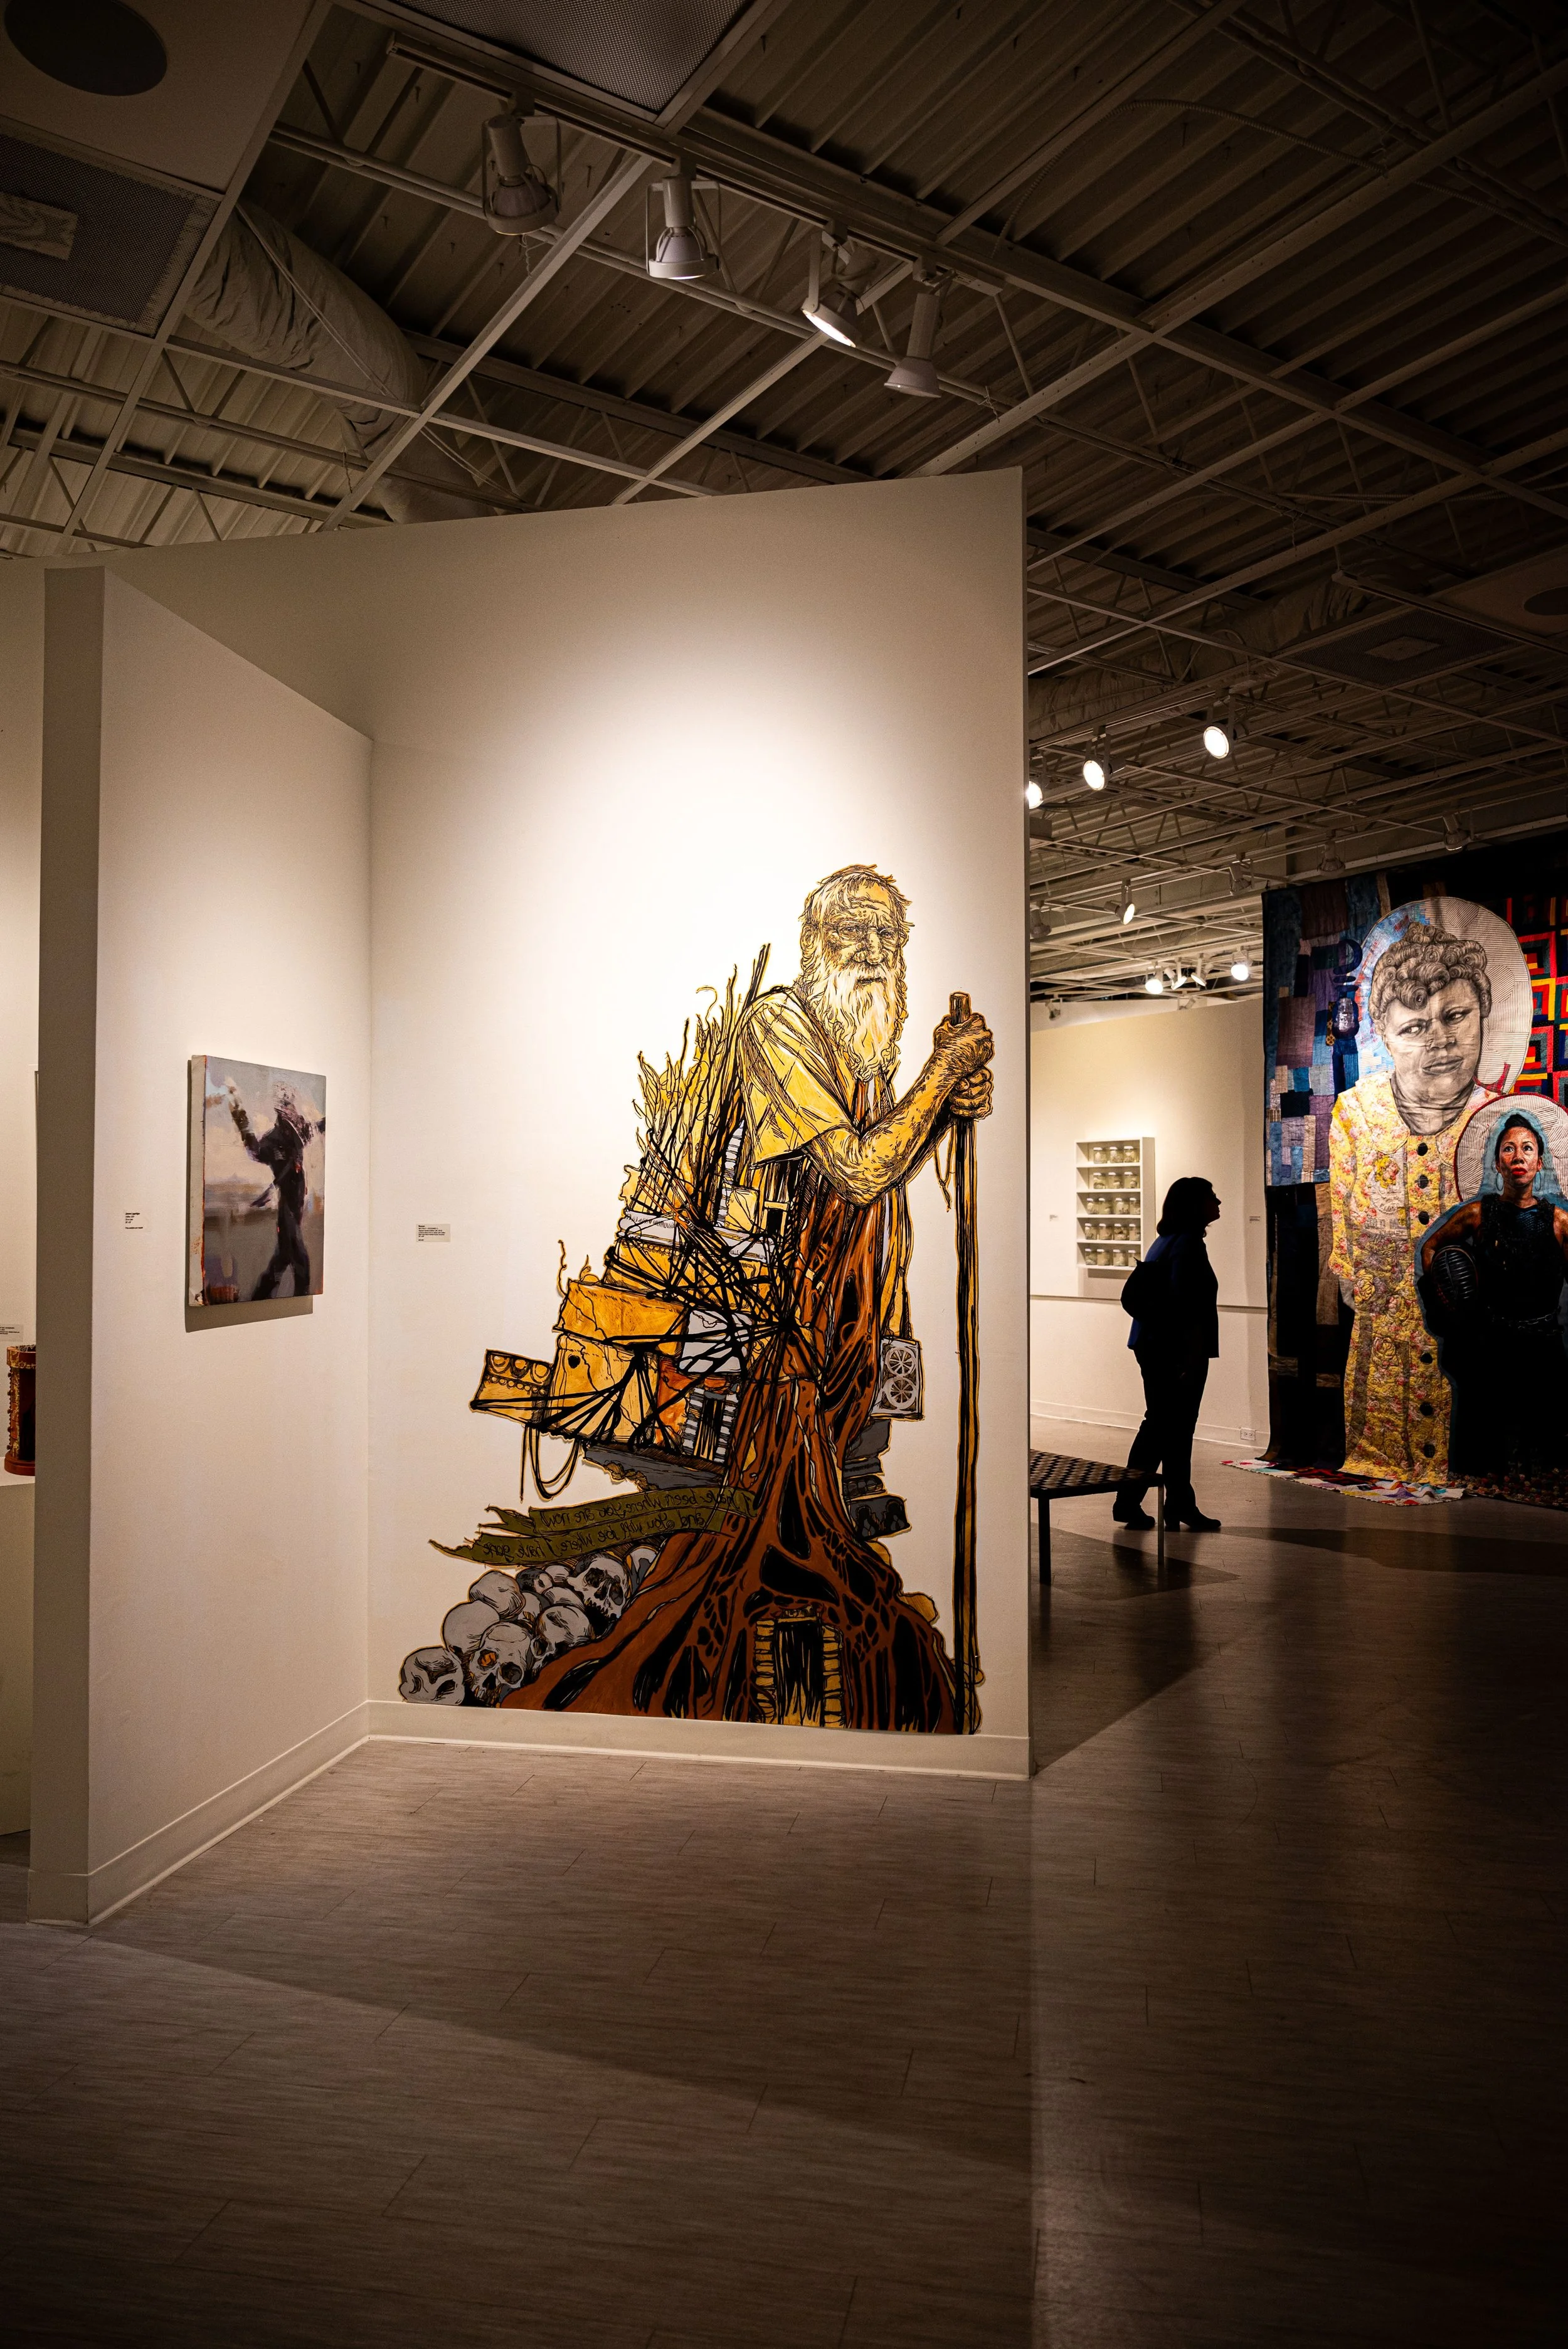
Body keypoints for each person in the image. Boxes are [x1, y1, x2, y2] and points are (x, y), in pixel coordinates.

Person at [505, 865, 994, 1729]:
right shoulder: (779, 1024)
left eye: (891, 934)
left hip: (845, 1344)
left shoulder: (870, 1053)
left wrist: (951, 1099)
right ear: (814, 943)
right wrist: (940, 1075)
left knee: (827, 1532)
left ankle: (810, 1707)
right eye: (855, 930)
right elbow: (854, 1168)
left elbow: (886, 1161)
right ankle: (776, 1704)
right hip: (772, 1344)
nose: (877, 950)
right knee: (778, 1554)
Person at [1328, 925, 1491, 1482]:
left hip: (1467, 1319)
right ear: (1386, 1036)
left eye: (1456, 1017)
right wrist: (1349, 1270)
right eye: (1415, 1026)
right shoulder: (1355, 1112)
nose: (1439, 1040)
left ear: (1485, 1014)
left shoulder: (1499, 1117)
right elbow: (1343, 1199)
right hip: (1386, 1315)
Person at [1419, 1108, 1568, 1478]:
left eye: (1528, 1149)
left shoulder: (1560, 1222)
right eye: (1508, 1149)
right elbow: (1431, 1248)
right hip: (1489, 1347)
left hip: (1543, 1348)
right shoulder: (1477, 1214)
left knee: (1546, 1454)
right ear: (1498, 1164)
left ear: (1540, 1162)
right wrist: (1448, 1303)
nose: (1518, 1157)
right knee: (1485, 1454)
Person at [1115, 1177, 1222, 1533]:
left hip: (1155, 1345)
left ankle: (1173, 1503)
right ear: (1194, 1205)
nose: (1218, 1202)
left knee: (1165, 1427)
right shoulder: (1188, 1245)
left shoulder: (1166, 1242)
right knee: (1168, 1428)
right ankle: (1134, 1502)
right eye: (1211, 1197)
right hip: (1174, 1351)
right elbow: (1186, 1308)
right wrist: (1190, 1360)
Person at [228, 1081, 324, 1300]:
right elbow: (256, 1152)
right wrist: (243, 1124)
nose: (290, 1112)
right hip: (288, 1208)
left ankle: (260, 1297)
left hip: (296, 1204)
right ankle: (301, 1299)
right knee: (299, 1259)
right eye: (286, 1108)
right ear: (280, 1113)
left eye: (290, 1106)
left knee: (281, 1260)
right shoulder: (273, 1141)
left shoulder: (299, 1134)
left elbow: (318, 1127)